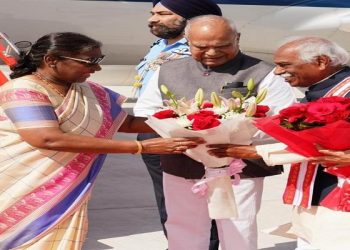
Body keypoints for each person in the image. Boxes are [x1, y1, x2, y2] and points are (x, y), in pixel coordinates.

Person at [0, 32, 204, 250]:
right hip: (22, 186)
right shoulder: (22, 90)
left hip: (67, 190)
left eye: (99, 61)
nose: (96, 69)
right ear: (51, 60)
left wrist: (191, 120)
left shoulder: (90, 91)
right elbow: (46, 138)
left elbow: (129, 122)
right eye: (90, 62)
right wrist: (139, 147)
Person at [137, 15, 296, 250]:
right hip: (182, 161)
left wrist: (236, 137)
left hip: (239, 165)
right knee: (182, 225)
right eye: (201, 47)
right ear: (187, 41)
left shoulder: (264, 72)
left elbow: (283, 118)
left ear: (237, 39)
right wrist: (183, 130)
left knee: (238, 227)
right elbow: (146, 109)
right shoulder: (168, 70)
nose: (212, 52)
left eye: (223, 46)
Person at [208, 37, 350, 250]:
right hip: (314, 196)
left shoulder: (345, 92)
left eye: (284, 65)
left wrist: (256, 151)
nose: (277, 72)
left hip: (339, 198)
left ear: (321, 62)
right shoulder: (321, 90)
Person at [133, 0, 222, 242]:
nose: (153, 19)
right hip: (152, 129)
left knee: (198, 198)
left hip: (184, 133)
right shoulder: (160, 46)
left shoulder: (202, 51)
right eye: (152, 13)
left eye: (163, 14)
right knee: (167, 199)